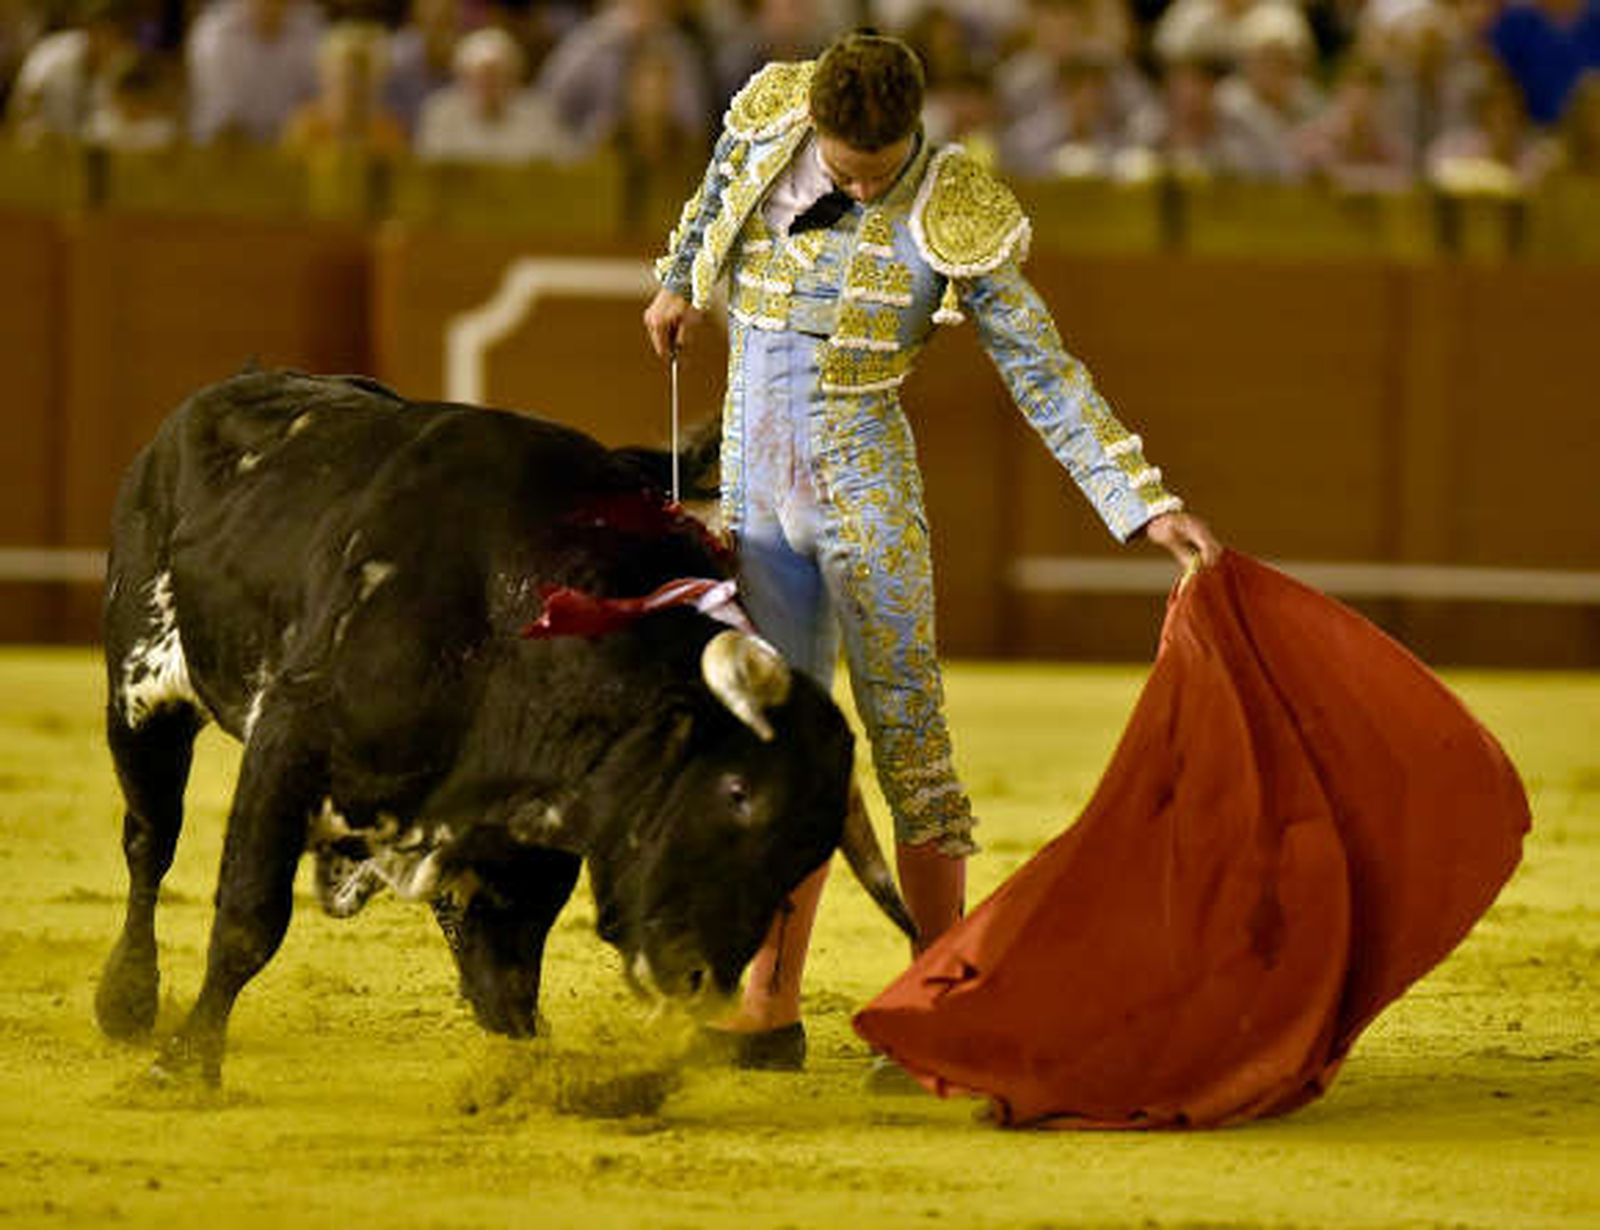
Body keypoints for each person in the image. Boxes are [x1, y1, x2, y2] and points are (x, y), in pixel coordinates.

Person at [642, 30, 1222, 1073]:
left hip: (865, 492)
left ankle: (939, 1000)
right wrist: (680, 283)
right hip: (757, 484)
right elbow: (710, 201)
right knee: (776, 746)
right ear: (812, 124)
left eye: (884, 169)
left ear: (917, 131)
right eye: (847, 168)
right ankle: (769, 1005)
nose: (867, 190)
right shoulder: (771, 120)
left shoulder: (955, 206)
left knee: (908, 739)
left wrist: (1140, 502)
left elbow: (1041, 369)